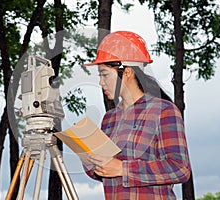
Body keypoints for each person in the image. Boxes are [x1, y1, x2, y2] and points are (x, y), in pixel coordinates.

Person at [82, 31, 191, 200]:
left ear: (127, 72)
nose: (101, 82)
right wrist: (91, 161)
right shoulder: (109, 119)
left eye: (104, 75)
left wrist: (123, 169)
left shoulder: (163, 111)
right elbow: (105, 173)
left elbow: (179, 168)